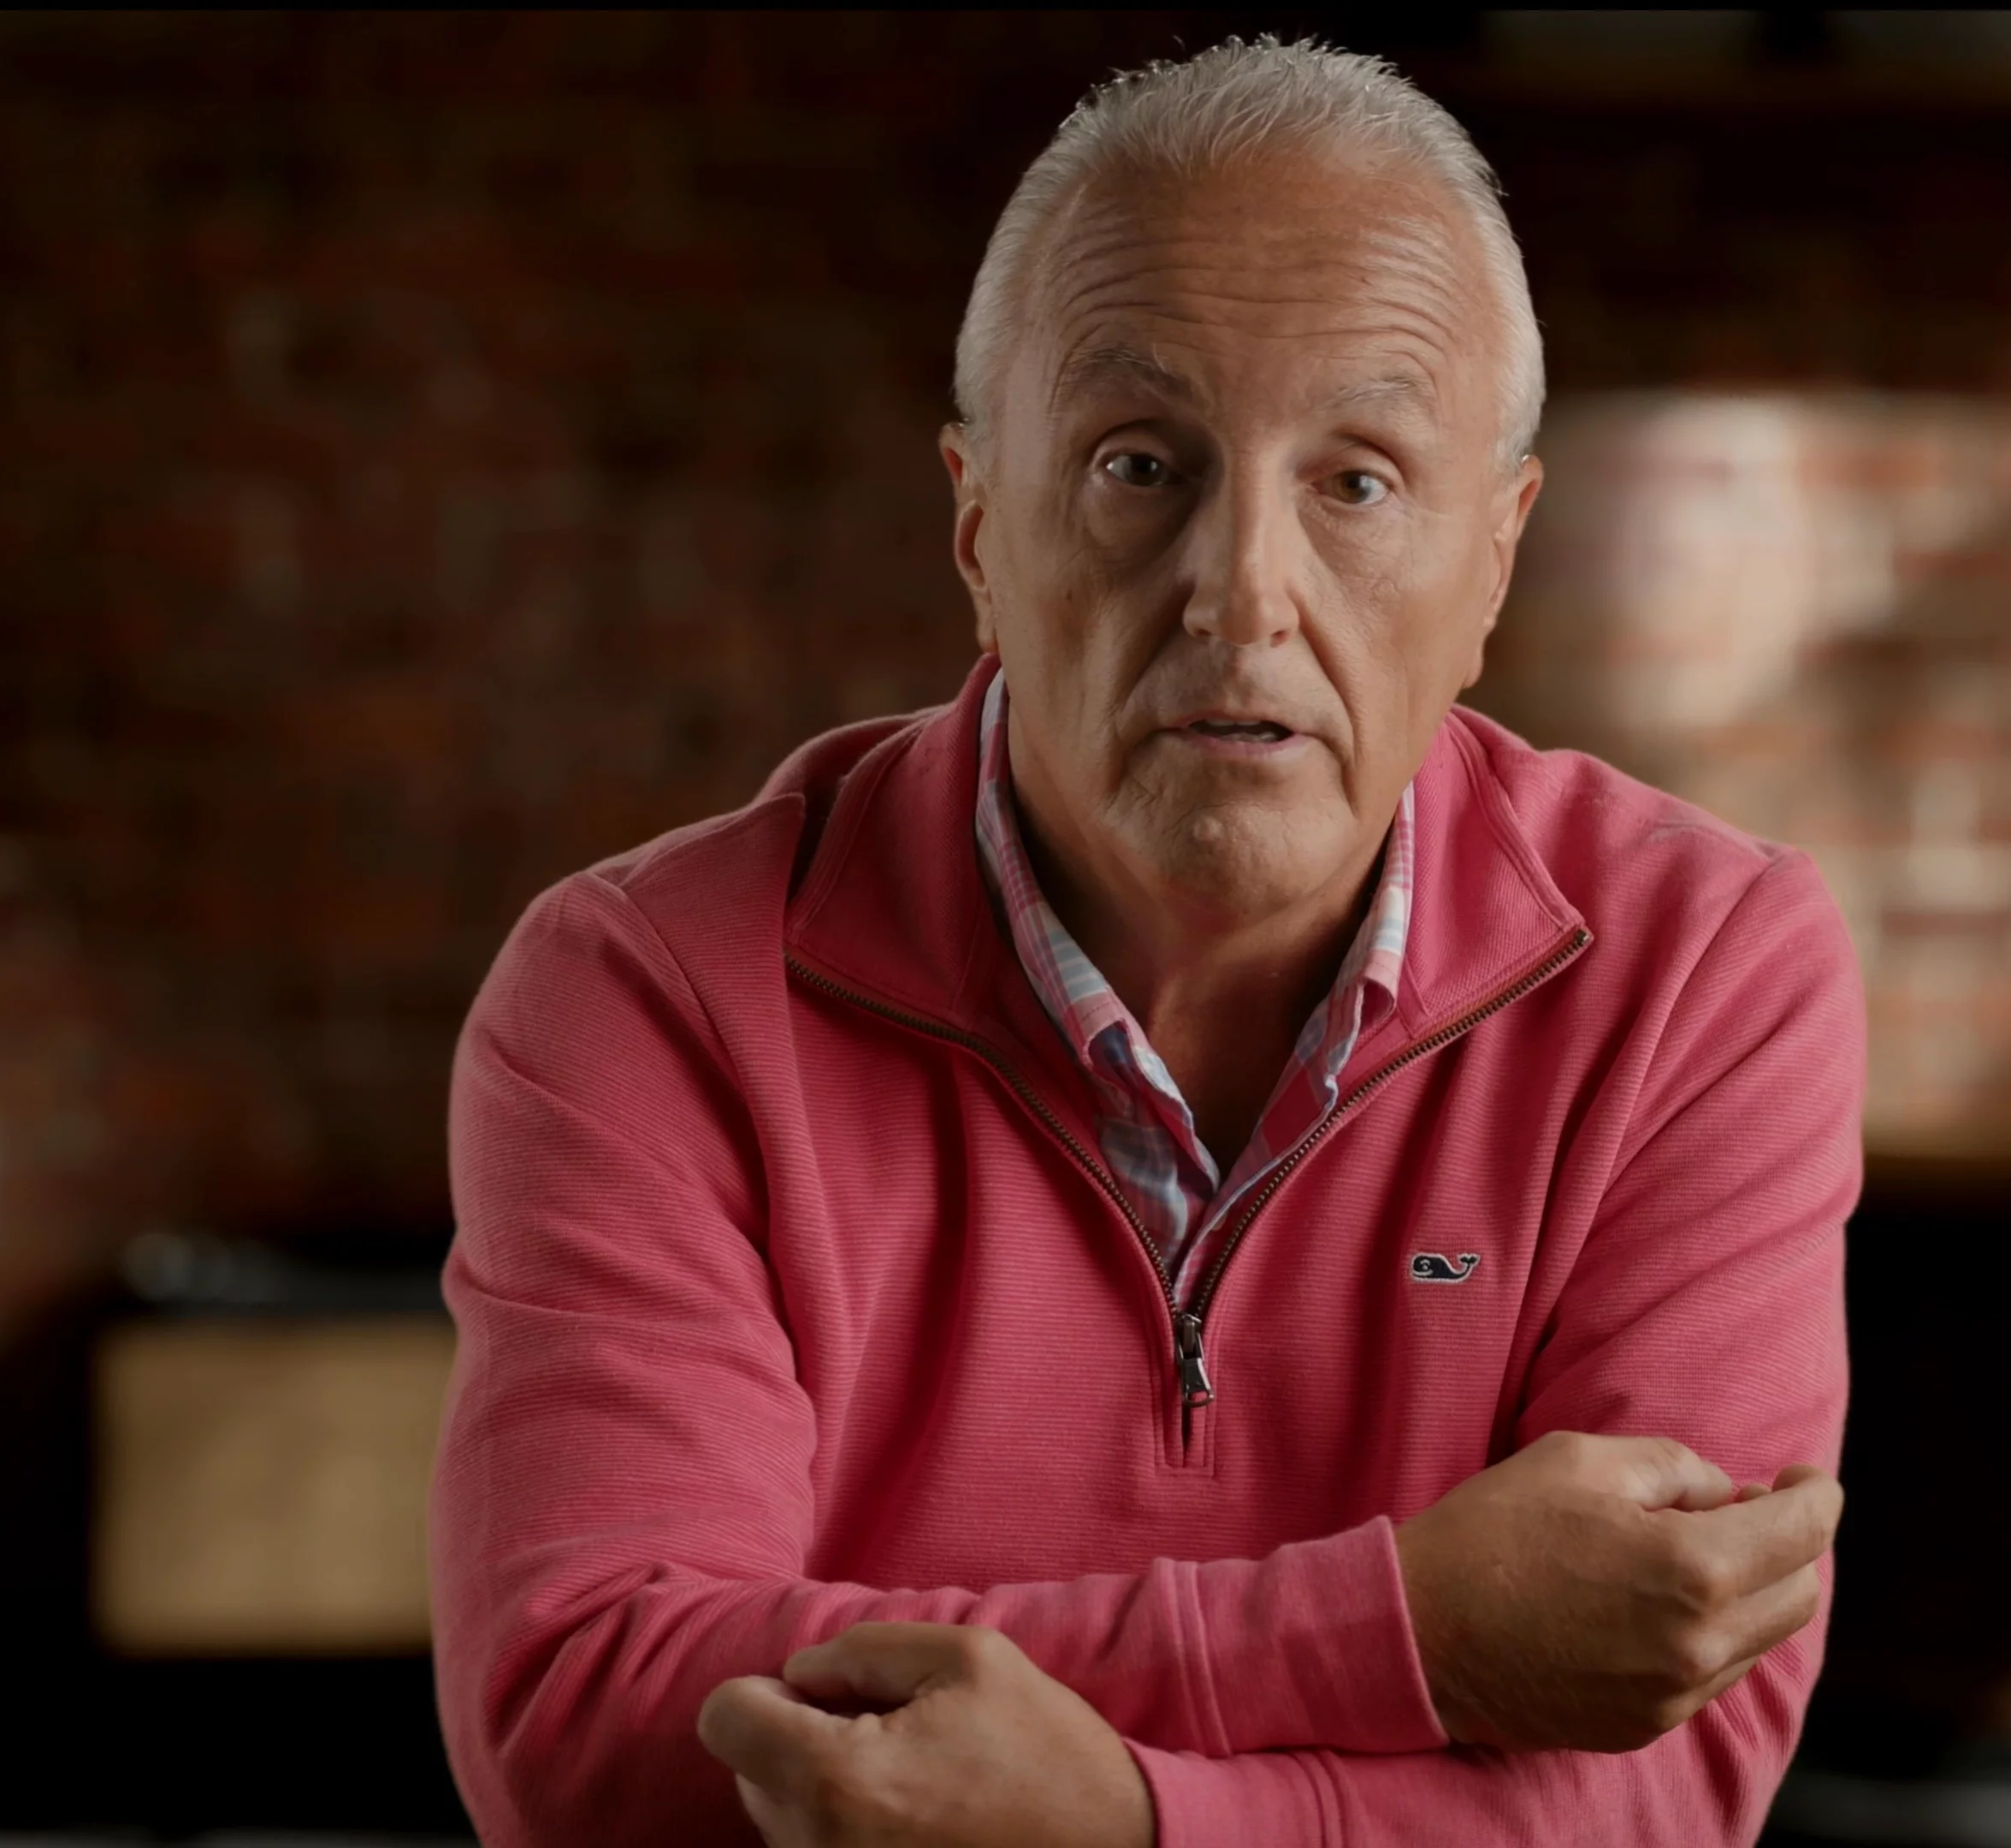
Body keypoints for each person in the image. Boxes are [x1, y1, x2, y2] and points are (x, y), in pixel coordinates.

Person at [431, 39, 1858, 1846]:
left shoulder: (1704, 969)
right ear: (977, 528)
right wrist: (1410, 1637)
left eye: (1358, 482)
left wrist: (1114, 1819)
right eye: (1138, 464)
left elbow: (1666, 1781)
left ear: (1495, 561)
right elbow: (590, 1722)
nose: (1241, 592)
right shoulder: (648, 990)